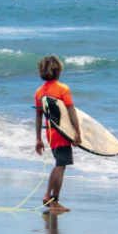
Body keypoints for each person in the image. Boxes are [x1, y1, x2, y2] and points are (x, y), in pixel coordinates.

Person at [34, 55, 82, 214]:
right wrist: (77, 133)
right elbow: (70, 111)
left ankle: (47, 196)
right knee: (61, 166)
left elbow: (39, 116)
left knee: (58, 164)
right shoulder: (62, 89)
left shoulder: (39, 92)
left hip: (50, 133)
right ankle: (55, 201)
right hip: (62, 133)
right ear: (58, 72)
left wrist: (38, 139)